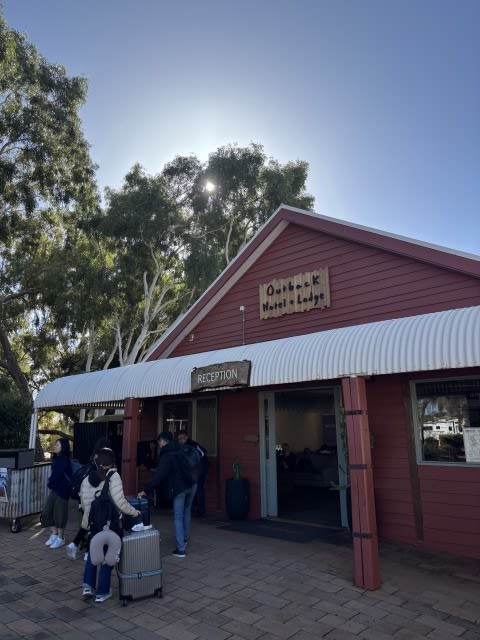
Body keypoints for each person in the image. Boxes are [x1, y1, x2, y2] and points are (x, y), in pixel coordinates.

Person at [80, 448, 140, 602]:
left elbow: (84, 503)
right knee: (108, 556)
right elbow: (120, 502)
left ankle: (88, 586)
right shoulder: (114, 476)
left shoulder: (87, 478)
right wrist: (134, 512)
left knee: (93, 553)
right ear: (112, 462)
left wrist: (90, 521)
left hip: (93, 524)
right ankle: (102, 592)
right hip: (110, 524)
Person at [138, 430, 195, 558]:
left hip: (179, 488)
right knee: (186, 512)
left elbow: (159, 475)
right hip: (191, 485)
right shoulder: (180, 449)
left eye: (159, 441)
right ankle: (184, 539)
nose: (158, 444)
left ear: (163, 440)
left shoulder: (167, 455)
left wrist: (146, 490)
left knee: (178, 516)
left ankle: (181, 549)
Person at [66, 437, 112, 561]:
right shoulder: (104, 460)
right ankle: (88, 553)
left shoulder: (93, 458)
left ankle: (74, 544)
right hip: (94, 498)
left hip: (84, 496)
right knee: (94, 525)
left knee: (86, 524)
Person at [40, 438, 72, 549]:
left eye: (58, 445)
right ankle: (54, 534)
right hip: (55, 489)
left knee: (60, 514)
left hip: (63, 490)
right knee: (46, 512)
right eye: (56, 444)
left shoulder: (64, 460)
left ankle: (61, 538)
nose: (55, 446)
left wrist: (50, 484)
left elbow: (56, 476)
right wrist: (51, 484)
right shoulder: (57, 459)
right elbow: (55, 476)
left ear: (63, 447)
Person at [177, 429, 209, 516]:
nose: (181, 441)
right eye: (179, 439)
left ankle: (200, 509)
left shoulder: (192, 445)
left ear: (187, 437)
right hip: (196, 470)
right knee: (195, 488)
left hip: (199, 469)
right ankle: (194, 508)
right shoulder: (190, 445)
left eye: (182, 438)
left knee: (198, 488)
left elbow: (202, 454)